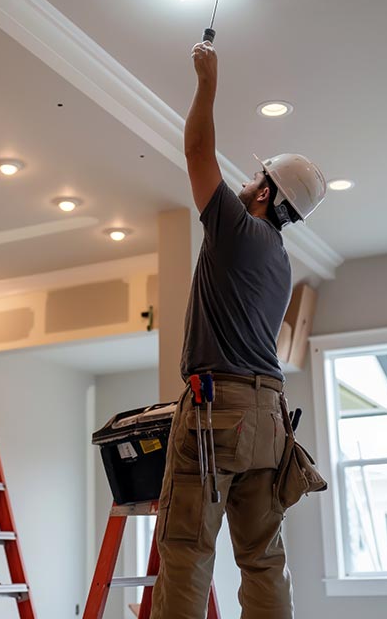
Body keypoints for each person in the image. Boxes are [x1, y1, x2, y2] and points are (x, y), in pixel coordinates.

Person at [149, 40, 326, 619]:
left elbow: (197, 150)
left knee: (186, 551)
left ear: (266, 193)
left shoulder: (236, 230)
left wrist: (207, 81)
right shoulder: (280, 261)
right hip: (269, 419)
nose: (246, 182)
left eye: (255, 177)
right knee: (262, 557)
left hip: (218, 411)